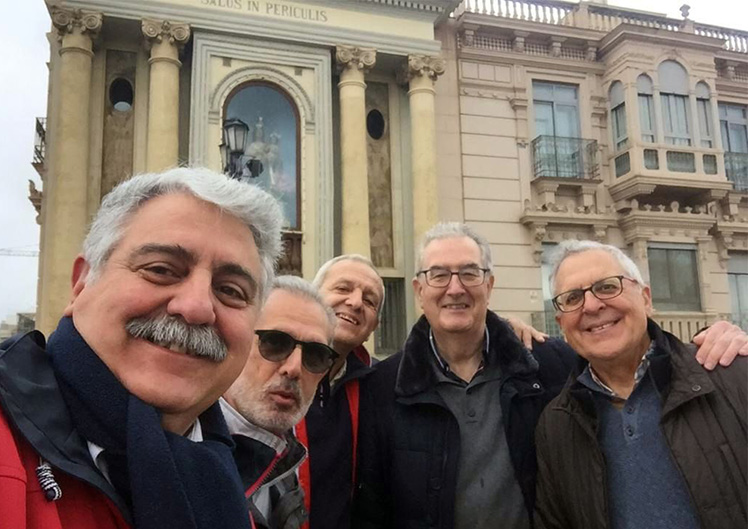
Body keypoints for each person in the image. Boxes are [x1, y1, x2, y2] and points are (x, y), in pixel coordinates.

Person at [354, 222, 748, 529]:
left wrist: (724, 340)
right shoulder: (382, 388)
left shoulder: (546, 365)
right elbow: (371, 510)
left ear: (489, 285)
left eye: (470, 273)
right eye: (439, 275)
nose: (455, 288)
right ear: (419, 289)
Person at [0, 167, 283, 529]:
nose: (197, 308)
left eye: (230, 291)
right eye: (161, 270)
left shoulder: (228, 484)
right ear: (82, 283)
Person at [534, 240, 747, 529]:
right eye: (572, 298)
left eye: (607, 287)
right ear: (561, 324)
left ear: (646, 298)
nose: (592, 305)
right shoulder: (556, 425)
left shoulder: (732, 374)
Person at [222, 276, 339, 529]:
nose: (294, 368)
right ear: (238, 340)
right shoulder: (176, 450)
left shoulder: (285, 457)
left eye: (316, 355)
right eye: (275, 343)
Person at [294, 254, 384, 529]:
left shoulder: (376, 386)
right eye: (343, 288)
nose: (355, 302)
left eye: (369, 300)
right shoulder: (264, 367)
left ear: (373, 327)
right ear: (313, 297)